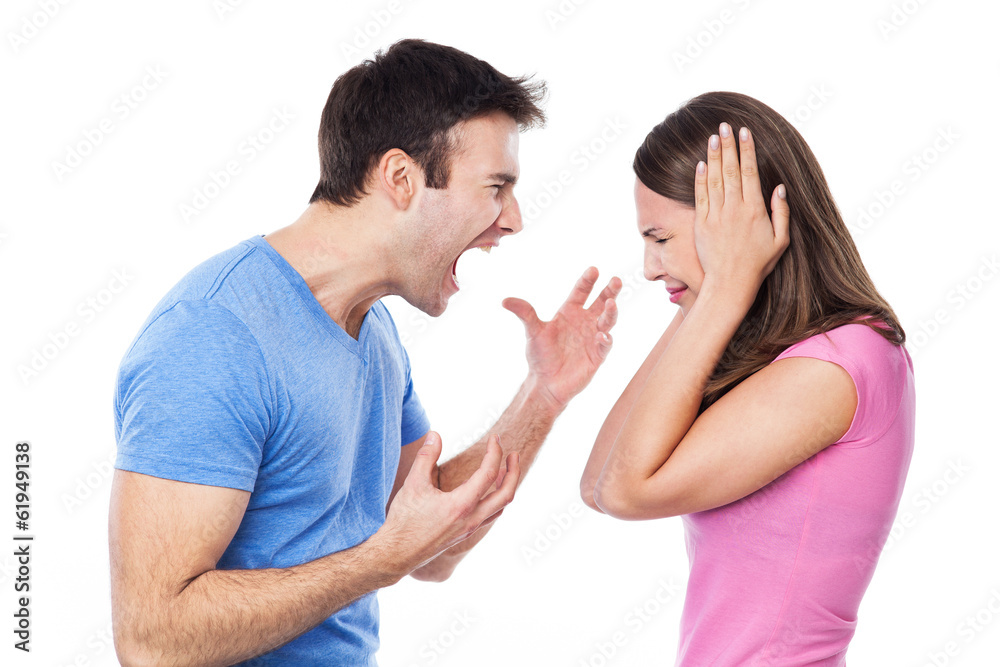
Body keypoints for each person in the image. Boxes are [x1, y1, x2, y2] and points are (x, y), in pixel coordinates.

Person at [109, 39, 621, 666]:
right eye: (495, 187)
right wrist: (380, 561)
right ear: (401, 178)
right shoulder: (214, 334)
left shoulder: (371, 327)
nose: (511, 219)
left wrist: (543, 395)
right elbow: (153, 639)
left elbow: (432, 548)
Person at [580, 91, 915, 665]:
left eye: (660, 239)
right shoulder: (793, 356)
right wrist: (710, 295)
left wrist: (725, 285)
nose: (648, 267)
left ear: (740, 222)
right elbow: (598, 483)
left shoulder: (838, 362)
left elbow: (625, 491)